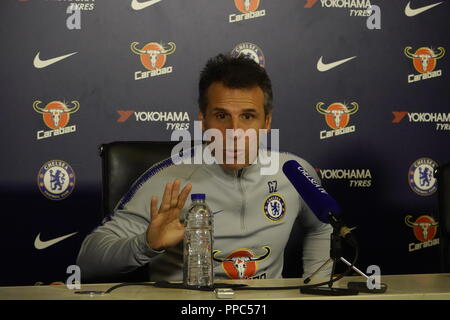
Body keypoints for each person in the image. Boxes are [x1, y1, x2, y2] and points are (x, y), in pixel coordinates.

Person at [76, 54, 332, 282]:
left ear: (266, 122)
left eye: (247, 116)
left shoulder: (293, 172)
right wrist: (146, 244)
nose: (234, 132)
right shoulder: (168, 179)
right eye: (221, 116)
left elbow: (322, 225)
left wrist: (316, 283)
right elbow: (87, 261)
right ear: (203, 120)